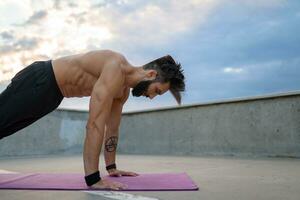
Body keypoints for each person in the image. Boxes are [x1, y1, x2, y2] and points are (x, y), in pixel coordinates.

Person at [0, 50, 185, 190]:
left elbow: (112, 128)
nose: (152, 97)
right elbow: (95, 124)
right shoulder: (115, 68)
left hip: (53, 96)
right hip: (40, 79)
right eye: (157, 91)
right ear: (151, 75)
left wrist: (111, 167)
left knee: (5, 128)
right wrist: (93, 178)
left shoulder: (123, 92)